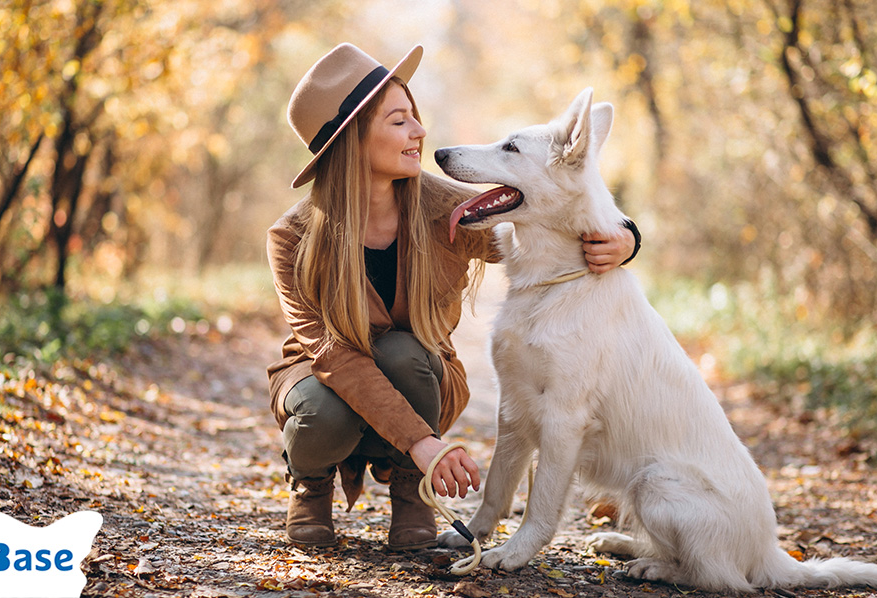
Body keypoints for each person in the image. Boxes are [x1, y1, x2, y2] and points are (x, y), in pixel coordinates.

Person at [266, 43, 639, 551]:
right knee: (318, 409)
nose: (420, 131)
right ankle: (311, 484)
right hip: (325, 378)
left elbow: (552, 213)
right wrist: (425, 443)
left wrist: (625, 236)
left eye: (415, 116)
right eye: (400, 121)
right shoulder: (291, 237)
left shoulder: (447, 207)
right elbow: (332, 355)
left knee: (404, 353)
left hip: (418, 374)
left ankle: (410, 490)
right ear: (352, 140)